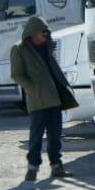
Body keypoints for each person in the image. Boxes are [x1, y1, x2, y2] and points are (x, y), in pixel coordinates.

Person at [9, 16, 78, 181]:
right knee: (36, 137)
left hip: (54, 98)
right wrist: (33, 89)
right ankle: (32, 169)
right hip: (38, 100)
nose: (45, 36)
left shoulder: (46, 47)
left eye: (47, 33)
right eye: (43, 33)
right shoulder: (18, 49)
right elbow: (16, 75)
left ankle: (57, 167)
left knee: (56, 136)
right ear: (32, 33)